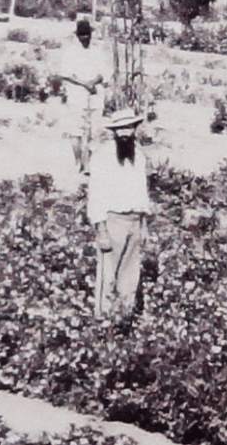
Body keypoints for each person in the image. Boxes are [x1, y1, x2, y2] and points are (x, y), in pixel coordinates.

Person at [87, 108, 151, 319]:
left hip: (135, 220)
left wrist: (143, 226)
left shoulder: (139, 156)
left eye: (129, 127)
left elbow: (142, 192)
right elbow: (96, 194)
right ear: (114, 131)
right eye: (120, 128)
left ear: (135, 128)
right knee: (107, 275)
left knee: (130, 276)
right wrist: (101, 230)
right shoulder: (103, 156)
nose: (125, 133)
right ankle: (102, 320)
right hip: (113, 220)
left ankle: (125, 319)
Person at [60, 19, 111, 173]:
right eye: (82, 35)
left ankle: (90, 163)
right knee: (76, 130)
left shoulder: (97, 52)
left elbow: (104, 72)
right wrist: (84, 84)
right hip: (77, 94)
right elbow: (66, 74)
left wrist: (92, 82)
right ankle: (79, 162)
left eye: (87, 34)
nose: (85, 37)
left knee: (94, 131)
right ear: (77, 36)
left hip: (95, 94)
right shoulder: (71, 53)